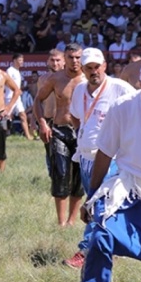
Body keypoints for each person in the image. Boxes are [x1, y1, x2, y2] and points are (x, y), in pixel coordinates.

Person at [62, 48, 137, 269]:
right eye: (89, 68)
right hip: (85, 156)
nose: (94, 71)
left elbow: (139, 111)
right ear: (82, 69)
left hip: (110, 158)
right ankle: (112, 246)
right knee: (95, 202)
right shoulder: (79, 90)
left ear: (104, 65)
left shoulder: (120, 88)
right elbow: (76, 118)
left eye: (97, 67)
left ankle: (86, 250)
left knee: (98, 204)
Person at [33, 43, 86, 227]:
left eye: (78, 57)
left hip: (83, 132)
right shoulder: (56, 79)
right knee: (61, 173)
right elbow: (38, 100)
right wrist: (42, 124)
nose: (74, 61)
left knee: (79, 176)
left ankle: (72, 220)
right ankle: (61, 221)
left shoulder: (89, 79)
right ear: (65, 58)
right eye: (71, 57)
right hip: (60, 129)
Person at [6, 53, 33, 139]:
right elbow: (7, 82)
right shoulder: (10, 70)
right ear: (14, 60)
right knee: (7, 117)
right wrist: (16, 90)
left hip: (17, 97)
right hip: (9, 97)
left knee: (23, 115)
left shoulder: (17, 71)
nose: (22, 62)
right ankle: (6, 134)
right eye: (20, 60)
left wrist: (19, 90)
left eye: (22, 60)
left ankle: (28, 136)